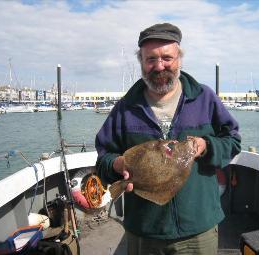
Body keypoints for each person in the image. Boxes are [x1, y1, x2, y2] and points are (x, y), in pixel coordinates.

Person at [95, 23, 241, 255]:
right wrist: (118, 165)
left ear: (179, 59)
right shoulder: (125, 107)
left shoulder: (204, 98)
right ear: (141, 62)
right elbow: (103, 159)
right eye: (151, 59)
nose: (159, 66)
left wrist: (206, 146)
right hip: (145, 231)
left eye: (167, 58)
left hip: (198, 229)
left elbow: (232, 141)